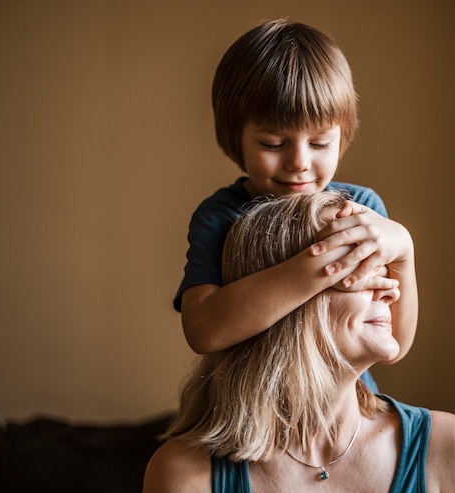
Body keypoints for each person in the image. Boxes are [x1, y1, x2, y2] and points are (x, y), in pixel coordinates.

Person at [144, 192, 455, 493]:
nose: (392, 290)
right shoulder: (184, 477)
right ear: (287, 303)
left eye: (383, 270)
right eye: (358, 271)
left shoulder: (448, 448)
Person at [173, 18, 419, 391]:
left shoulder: (362, 209)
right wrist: (317, 269)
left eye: (320, 143)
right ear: (234, 138)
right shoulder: (221, 216)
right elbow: (203, 331)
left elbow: (394, 345)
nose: (299, 162)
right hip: (257, 414)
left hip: (348, 413)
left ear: (343, 137)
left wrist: (404, 251)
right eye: (273, 144)